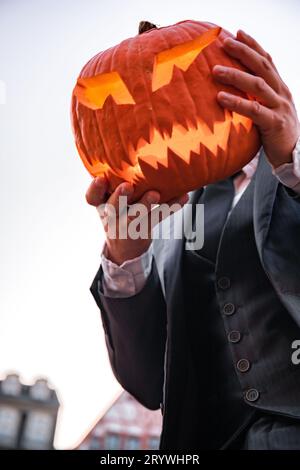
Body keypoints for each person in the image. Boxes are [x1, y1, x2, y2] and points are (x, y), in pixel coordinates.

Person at [85, 29, 300, 449]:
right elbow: (147, 382)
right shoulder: (165, 219)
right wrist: (124, 256)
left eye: (182, 78)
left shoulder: (292, 168)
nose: (159, 105)